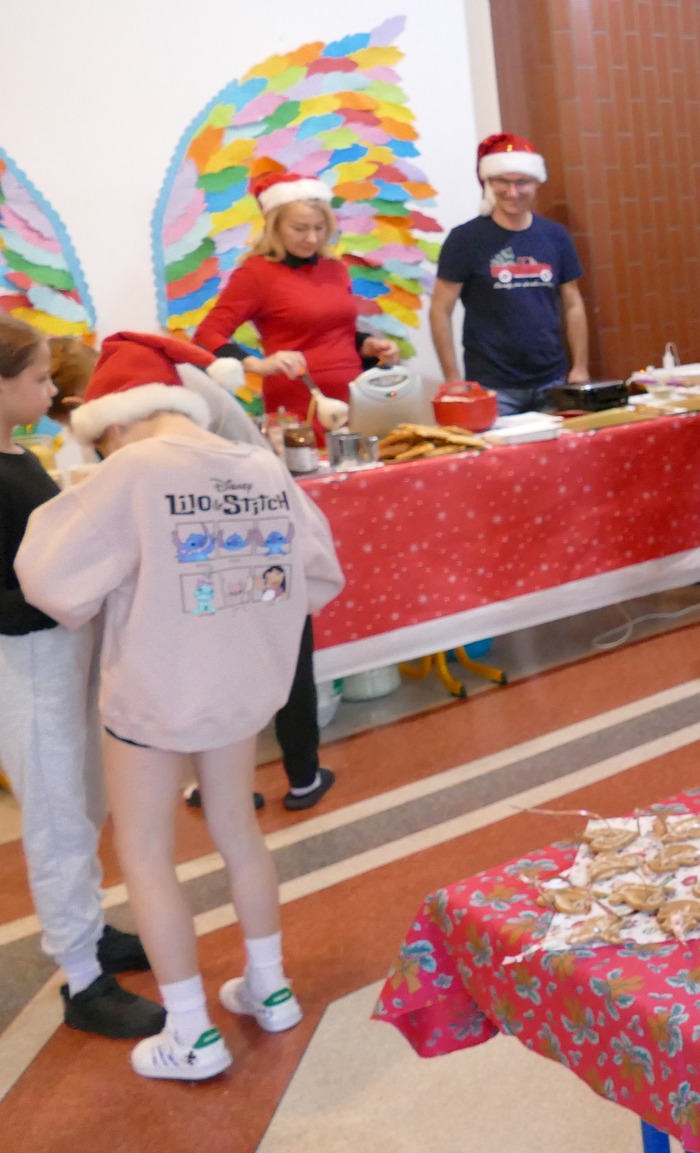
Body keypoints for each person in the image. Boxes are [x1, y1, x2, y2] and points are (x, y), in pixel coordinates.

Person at [17, 331, 343, 1081]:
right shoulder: (260, 464)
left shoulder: (132, 471)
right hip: (240, 689)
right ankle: (271, 989)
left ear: (115, 419)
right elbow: (319, 575)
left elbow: (48, 579)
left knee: (146, 852)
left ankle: (191, 1032)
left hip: (153, 694)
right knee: (238, 830)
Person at [0, 318, 164, 1041]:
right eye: (39, 378)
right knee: (57, 818)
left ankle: (91, 931)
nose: (52, 390)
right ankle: (80, 975)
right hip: (28, 666)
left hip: (63, 655)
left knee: (86, 801)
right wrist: (65, 595)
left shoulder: (17, 454)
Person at [192, 173, 400, 421]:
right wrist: (257, 365)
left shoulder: (334, 268)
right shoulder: (256, 273)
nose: (312, 238)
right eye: (300, 229)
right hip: (298, 403)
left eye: (319, 228)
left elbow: (335, 331)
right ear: (275, 226)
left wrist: (368, 346)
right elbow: (207, 334)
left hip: (355, 396)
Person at [430, 134, 590, 416]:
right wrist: (453, 379)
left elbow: (573, 303)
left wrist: (580, 366)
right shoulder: (464, 239)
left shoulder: (556, 237)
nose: (512, 192)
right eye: (502, 181)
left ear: (537, 182)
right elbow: (440, 310)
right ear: (489, 182)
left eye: (522, 182)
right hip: (491, 385)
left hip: (552, 380)